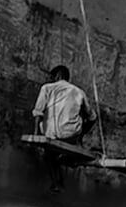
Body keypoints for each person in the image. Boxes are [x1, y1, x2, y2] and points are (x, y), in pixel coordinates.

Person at [32, 64, 95, 192]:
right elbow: (92, 117)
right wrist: (81, 136)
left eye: (52, 77)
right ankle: (61, 174)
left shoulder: (46, 88)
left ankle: (56, 182)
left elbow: (38, 112)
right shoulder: (78, 91)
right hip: (70, 134)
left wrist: (35, 134)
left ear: (58, 76)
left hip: (51, 132)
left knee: (49, 152)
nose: (51, 79)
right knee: (82, 117)